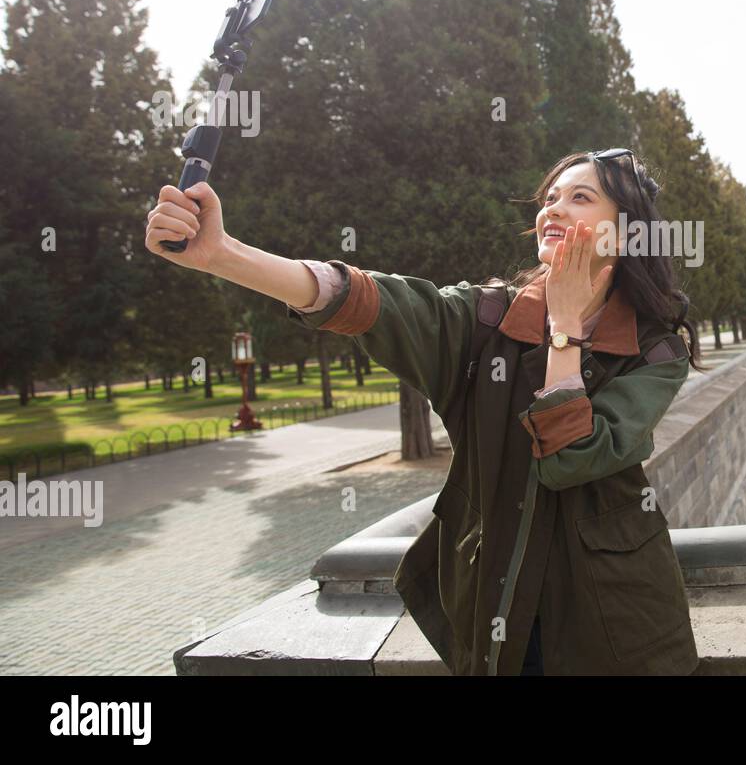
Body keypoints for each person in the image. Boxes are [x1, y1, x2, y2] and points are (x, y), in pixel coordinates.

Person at [145, 148, 707, 675]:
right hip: (497, 606)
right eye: (550, 198)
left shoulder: (655, 351)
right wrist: (222, 255)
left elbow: (573, 458)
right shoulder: (486, 321)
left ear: (624, 229)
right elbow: (368, 300)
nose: (553, 208)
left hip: (618, 623)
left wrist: (564, 332)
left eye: (580, 198)